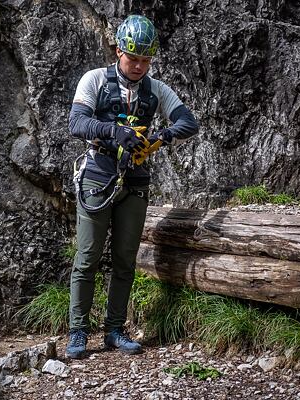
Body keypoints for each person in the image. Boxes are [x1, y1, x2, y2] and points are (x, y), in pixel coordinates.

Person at [66, 14, 199, 359]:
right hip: (97, 175)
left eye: (146, 60)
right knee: (88, 257)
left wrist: (163, 135)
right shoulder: (94, 80)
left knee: (125, 259)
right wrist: (114, 131)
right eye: (133, 58)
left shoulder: (156, 90)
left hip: (135, 180)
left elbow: (189, 121)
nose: (139, 65)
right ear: (118, 51)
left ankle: (114, 330)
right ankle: (78, 331)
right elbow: (76, 122)